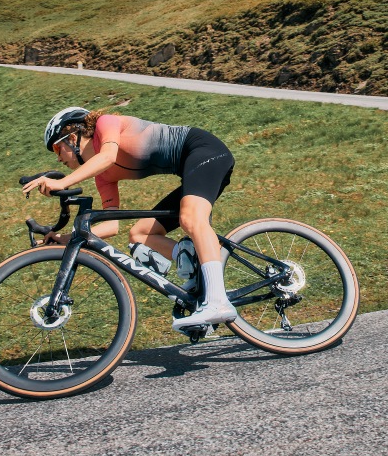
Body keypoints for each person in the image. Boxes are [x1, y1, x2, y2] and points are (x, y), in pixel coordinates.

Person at [21, 107, 237, 332]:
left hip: (205, 151)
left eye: (57, 147)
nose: (57, 157)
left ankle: (217, 302)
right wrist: (64, 239)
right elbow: (112, 226)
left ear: (72, 137)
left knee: (190, 218)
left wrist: (63, 182)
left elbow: (108, 156)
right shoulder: (102, 177)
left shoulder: (107, 124)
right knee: (140, 235)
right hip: (191, 169)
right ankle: (195, 265)